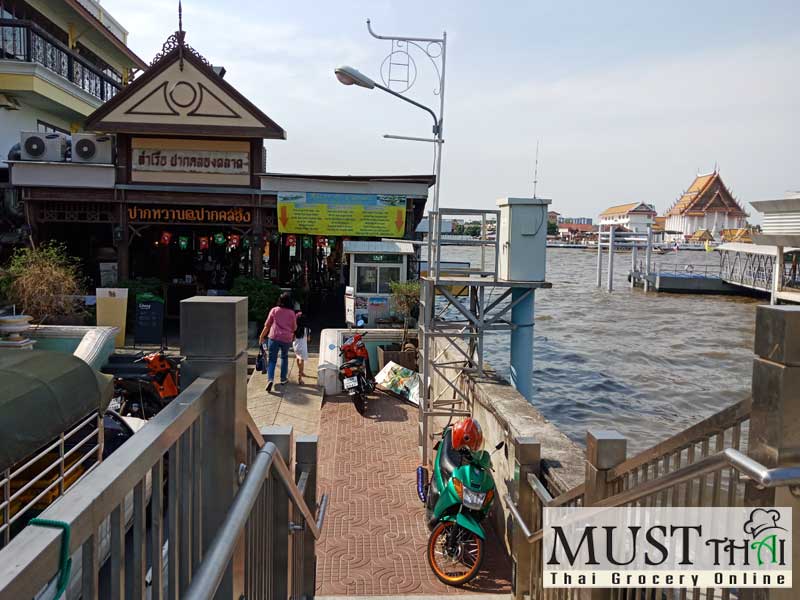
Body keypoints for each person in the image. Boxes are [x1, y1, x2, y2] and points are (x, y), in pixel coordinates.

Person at [258, 292, 297, 392]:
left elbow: (267, 325)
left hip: (274, 337)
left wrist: (261, 336)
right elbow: (294, 328)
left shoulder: (274, 310)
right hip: (286, 338)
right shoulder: (291, 313)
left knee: (272, 360)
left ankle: (270, 379)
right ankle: (283, 379)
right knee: (284, 357)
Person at [293, 306, 310, 385]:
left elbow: (292, 337)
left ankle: (301, 372)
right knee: (301, 360)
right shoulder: (306, 329)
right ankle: (299, 377)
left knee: (297, 358)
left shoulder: (294, 328)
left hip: (296, 346)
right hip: (303, 347)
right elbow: (308, 339)